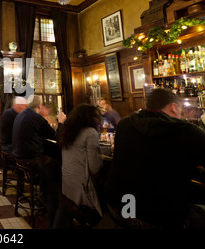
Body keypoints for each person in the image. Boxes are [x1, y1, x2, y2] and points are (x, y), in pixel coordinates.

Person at [105, 88, 205, 229]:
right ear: (174, 108)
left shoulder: (124, 124)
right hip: (156, 218)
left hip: (117, 209)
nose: (182, 116)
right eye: (182, 112)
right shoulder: (187, 130)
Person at [11, 95, 65, 227]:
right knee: (57, 167)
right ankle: (51, 203)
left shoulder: (21, 115)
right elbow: (56, 137)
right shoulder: (36, 118)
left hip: (18, 158)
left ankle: (43, 196)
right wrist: (61, 121)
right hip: (31, 160)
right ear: (39, 106)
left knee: (50, 161)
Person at [55, 104, 104, 228]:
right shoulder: (90, 133)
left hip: (67, 186)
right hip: (82, 189)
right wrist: (100, 156)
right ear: (90, 118)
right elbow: (94, 168)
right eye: (97, 116)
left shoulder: (68, 132)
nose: (99, 119)